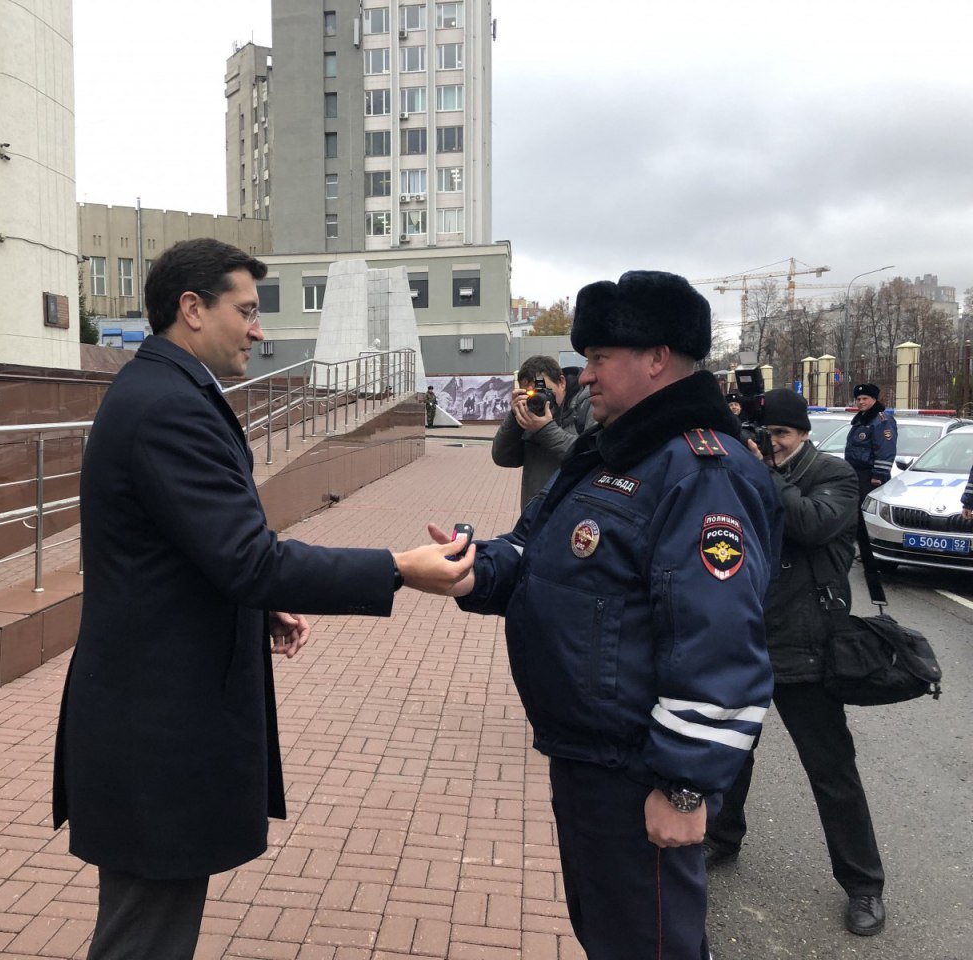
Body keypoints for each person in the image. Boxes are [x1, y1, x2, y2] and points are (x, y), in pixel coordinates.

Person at [51, 238, 475, 960]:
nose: (258, 329)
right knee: (145, 937)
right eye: (245, 311)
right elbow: (249, 558)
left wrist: (252, 602)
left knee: (149, 925)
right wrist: (398, 567)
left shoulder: (163, 391)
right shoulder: (167, 407)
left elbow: (198, 550)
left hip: (148, 719)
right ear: (191, 309)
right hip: (155, 730)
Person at [440, 271, 782, 960]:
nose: (584, 376)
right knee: (609, 935)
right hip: (589, 757)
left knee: (651, 944)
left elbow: (718, 640)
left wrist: (683, 786)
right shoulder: (611, 453)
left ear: (656, 357)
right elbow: (535, 550)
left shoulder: (700, 471)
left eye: (599, 359)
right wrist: (470, 567)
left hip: (639, 770)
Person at [702, 388, 887, 936]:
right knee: (732, 753)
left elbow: (809, 525)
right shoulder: (757, 470)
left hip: (808, 645)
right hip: (751, 639)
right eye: (767, 436)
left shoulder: (835, 476)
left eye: (781, 435)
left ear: (802, 433)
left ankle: (864, 885)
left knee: (831, 772)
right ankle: (723, 837)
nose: (773, 444)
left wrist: (766, 472)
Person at [490, 355, 594, 509]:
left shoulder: (588, 405)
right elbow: (502, 458)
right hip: (535, 515)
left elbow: (591, 456)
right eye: (531, 394)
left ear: (562, 382)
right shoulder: (531, 414)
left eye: (543, 390)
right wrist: (515, 416)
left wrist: (545, 429)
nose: (540, 398)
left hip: (574, 514)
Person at [843, 383, 897, 501]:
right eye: (858, 399)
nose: (861, 402)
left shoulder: (882, 420)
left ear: (874, 399)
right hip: (858, 474)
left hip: (871, 476)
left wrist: (879, 475)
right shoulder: (862, 419)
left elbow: (885, 449)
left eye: (865, 398)